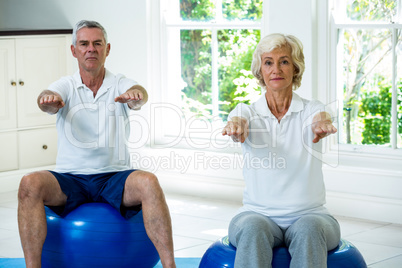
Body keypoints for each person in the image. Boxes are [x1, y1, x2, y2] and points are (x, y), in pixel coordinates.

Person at [17, 20, 176, 268]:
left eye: (97, 43)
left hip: (115, 176)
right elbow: (46, 98)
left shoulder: (119, 82)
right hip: (71, 179)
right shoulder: (66, 85)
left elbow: (138, 93)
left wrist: (136, 96)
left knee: (149, 182)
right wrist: (47, 101)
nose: (91, 49)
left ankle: (170, 266)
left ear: (107, 49)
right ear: (74, 51)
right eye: (84, 44)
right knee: (29, 183)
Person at [221, 33, 340, 268]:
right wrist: (236, 125)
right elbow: (238, 119)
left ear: (295, 68)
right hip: (256, 215)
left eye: (284, 61)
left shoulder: (310, 109)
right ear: (260, 71)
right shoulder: (248, 111)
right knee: (253, 229)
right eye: (268, 62)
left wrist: (321, 124)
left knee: (309, 229)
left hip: (312, 215)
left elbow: (321, 116)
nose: (276, 69)